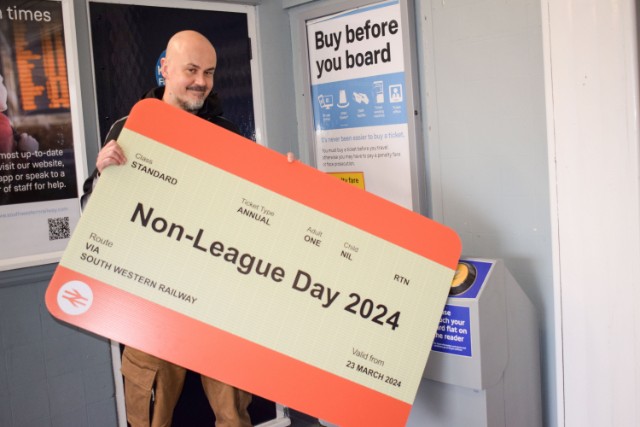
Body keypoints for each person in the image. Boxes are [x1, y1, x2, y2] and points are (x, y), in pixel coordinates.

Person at [83, 30, 253, 427]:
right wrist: (102, 176)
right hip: (148, 299)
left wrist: (284, 180)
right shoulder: (128, 128)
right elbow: (93, 215)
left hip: (216, 298)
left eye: (209, 72)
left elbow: (252, 213)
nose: (201, 81)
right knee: (150, 415)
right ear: (165, 69)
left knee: (233, 412)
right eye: (191, 69)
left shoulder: (227, 134)